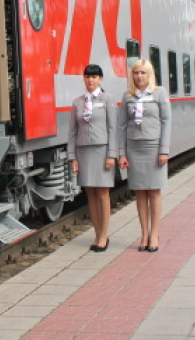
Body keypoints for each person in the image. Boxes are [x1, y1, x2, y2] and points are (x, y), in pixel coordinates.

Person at [118, 60, 171, 253]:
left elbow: (166, 121)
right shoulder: (127, 96)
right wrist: (122, 153)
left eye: (143, 73)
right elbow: (121, 126)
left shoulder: (159, 93)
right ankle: (144, 234)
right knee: (140, 192)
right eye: (136, 73)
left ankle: (155, 234)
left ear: (149, 75)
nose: (139, 76)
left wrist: (164, 150)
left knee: (154, 191)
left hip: (154, 148)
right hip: (134, 149)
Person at [68, 64, 117, 252]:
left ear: (100, 79)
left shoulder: (107, 99)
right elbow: (72, 132)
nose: (90, 80)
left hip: (102, 151)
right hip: (84, 152)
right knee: (91, 194)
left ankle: (104, 235)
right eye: (87, 77)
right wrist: (72, 157)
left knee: (103, 193)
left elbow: (113, 128)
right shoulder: (77, 102)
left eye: (94, 77)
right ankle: (97, 234)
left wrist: (111, 154)